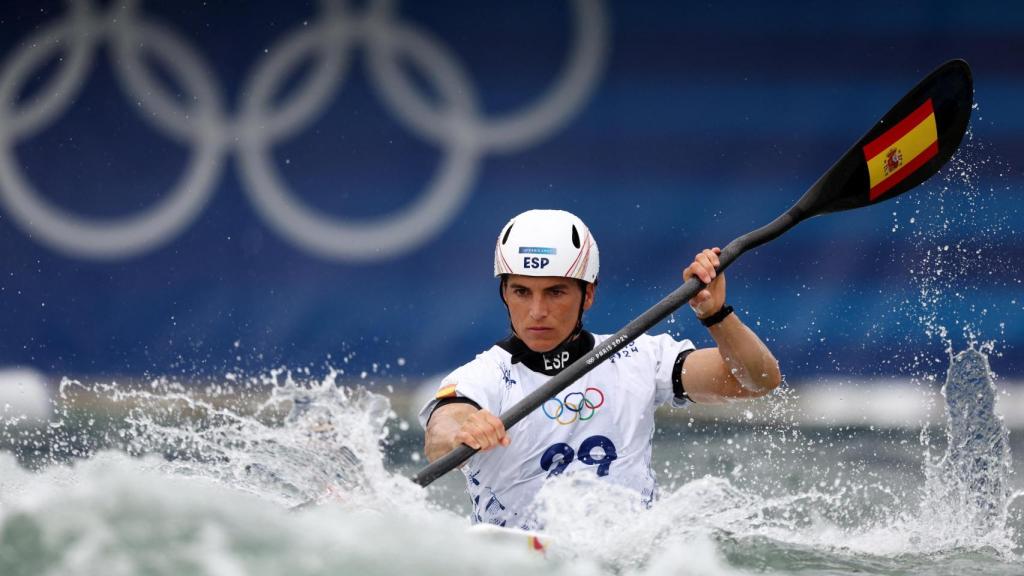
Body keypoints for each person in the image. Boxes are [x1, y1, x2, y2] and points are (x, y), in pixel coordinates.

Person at [418, 209, 781, 528]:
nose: (537, 311)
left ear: (587, 295)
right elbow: (440, 435)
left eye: (556, 292)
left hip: (627, 553)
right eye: (522, 292)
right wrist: (464, 430)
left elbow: (756, 381)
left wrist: (715, 315)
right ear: (504, 293)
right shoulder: (481, 376)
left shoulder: (640, 356)